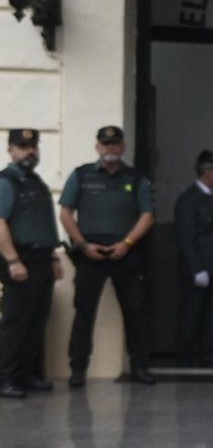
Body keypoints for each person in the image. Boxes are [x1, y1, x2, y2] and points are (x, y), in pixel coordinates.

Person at [58, 125, 155, 386]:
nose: (110, 147)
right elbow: (65, 213)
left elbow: (147, 215)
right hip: (90, 253)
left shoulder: (136, 178)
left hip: (125, 252)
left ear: (123, 147)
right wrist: (83, 245)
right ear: (97, 147)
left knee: (135, 312)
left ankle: (140, 367)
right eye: (105, 143)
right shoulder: (81, 175)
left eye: (115, 143)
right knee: (84, 313)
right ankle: (78, 369)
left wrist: (127, 243)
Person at [0, 129, 61, 398]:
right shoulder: (6, 182)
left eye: (33, 146)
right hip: (20, 260)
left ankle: (24, 375)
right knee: (16, 322)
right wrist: (13, 260)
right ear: (10, 150)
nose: (30, 151)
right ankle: (4, 378)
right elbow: (0, 224)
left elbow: (42, 223)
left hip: (41, 260)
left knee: (36, 321)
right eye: (23, 146)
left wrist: (53, 256)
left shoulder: (35, 181)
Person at [173, 150, 213, 368]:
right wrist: (197, 268)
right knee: (192, 316)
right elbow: (186, 238)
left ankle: (208, 356)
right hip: (197, 270)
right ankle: (186, 358)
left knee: (212, 316)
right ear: (207, 172)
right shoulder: (189, 200)